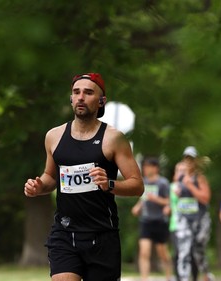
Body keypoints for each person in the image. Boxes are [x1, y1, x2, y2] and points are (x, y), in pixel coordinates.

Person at [24, 73, 144, 281]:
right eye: (76, 92)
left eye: (88, 92)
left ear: (101, 101)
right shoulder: (54, 136)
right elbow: (50, 177)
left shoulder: (113, 139)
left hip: (101, 234)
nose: (80, 97)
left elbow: (137, 185)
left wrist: (109, 183)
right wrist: (38, 186)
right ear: (71, 98)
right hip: (64, 231)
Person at [175, 146, 214, 281]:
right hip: (184, 218)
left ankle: (206, 274)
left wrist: (191, 186)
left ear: (195, 161)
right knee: (184, 249)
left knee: (199, 250)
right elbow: (177, 193)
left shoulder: (200, 178)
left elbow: (205, 198)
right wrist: (178, 192)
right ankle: (184, 278)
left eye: (191, 159)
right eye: (186, 158)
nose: (188, 161)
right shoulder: (180, 177)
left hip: (200, 219)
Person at [131, 157, 172, 281]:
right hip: (146, 221)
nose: (145, 169)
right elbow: (143, 199)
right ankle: (144, 278)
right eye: (144, 167)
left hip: (160, 221)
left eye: (147, 167)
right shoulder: (144, 182)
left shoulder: (163, 183)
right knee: (144, 252)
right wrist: (137, 207)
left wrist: (157, 200)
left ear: (155, 168)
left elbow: (170, 201)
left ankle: (169, 277)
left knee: (163, 254)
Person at [165, 161, 199, 281]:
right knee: (178, 253)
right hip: (176, 225)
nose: (181, 173)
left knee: (192, 253)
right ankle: (179, 278)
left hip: (192, 224)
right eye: (179, 170)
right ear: (175, 173)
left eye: (184, 170)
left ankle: (194, 278)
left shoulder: (194, 185)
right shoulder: (172, 187)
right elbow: (170, 203)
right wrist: (167, 208)